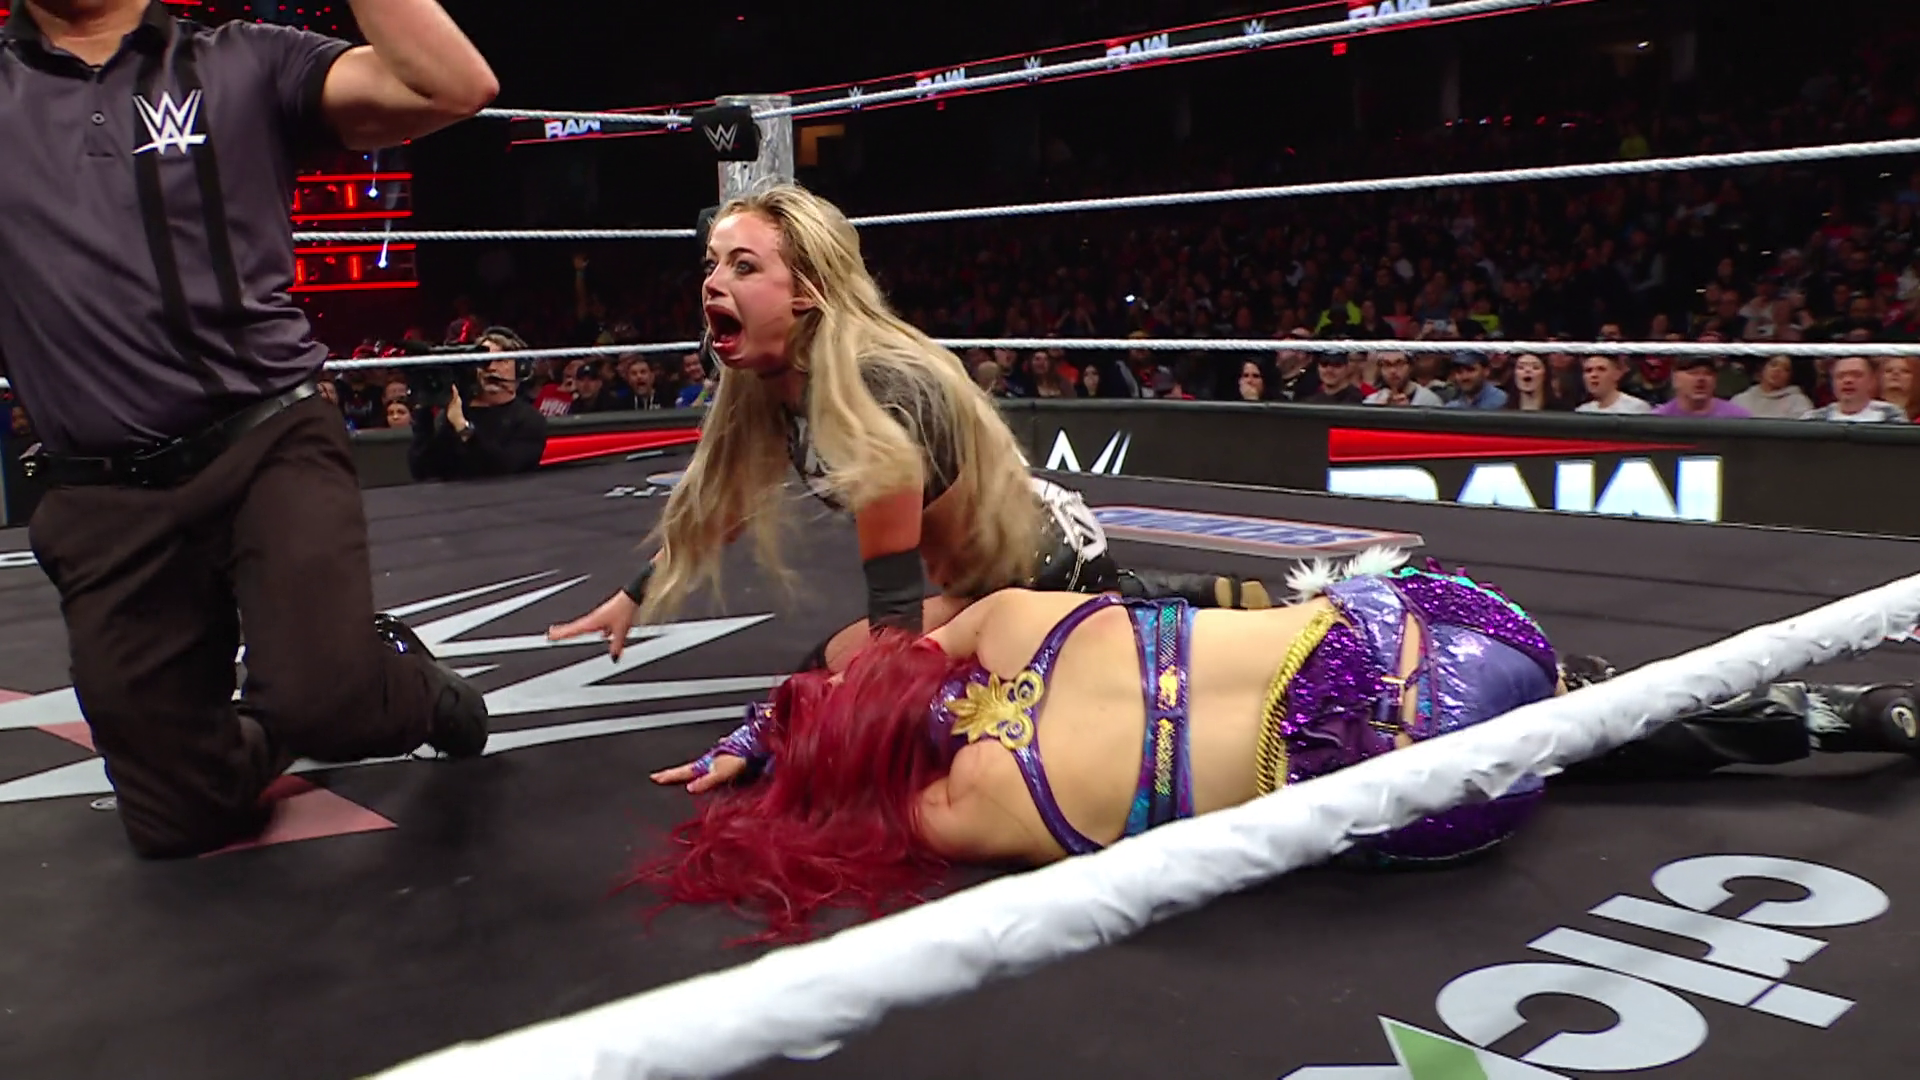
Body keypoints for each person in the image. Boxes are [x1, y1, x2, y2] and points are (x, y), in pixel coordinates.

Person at [635, 550, 1920, 943]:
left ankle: (1813, 722)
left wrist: (780, 755)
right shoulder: (1008, 615)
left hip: (1420, 794)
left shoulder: (965, 808)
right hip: (1449, 634)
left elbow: (847, 797)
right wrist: (779, 711)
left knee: (1519, 749)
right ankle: (1820, 712)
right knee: (1552, 700)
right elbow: (868, 652)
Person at [0, 0, 499, 857]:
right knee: (176, 819)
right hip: (101, 491)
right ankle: (310, 697)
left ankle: (400, 689)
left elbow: (453, 87)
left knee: (328, 701)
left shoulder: (243, 61)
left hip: (265, 439)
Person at [547, 184, 1265, 673]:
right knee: (826, 677)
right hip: (990, 571)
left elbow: (891, 620)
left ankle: (1124, 606)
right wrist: (633, 595)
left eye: (743, 266)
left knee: (825, 679)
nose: (712, 282)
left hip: (1035, 567)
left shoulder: (877, 394)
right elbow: (725, 504)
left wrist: (845, 726)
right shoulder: (772, 385)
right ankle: (1157, 598)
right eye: (711, 265)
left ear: (807, 292)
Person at [408, 327, 550, 481]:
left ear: (520, 368)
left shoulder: (530, 420)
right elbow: (424, 471)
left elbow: (504, 470)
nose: (491, 367)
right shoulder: (454, 414)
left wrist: (463, 429)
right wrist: (424, 415)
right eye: (484, 361)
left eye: (500, 360)